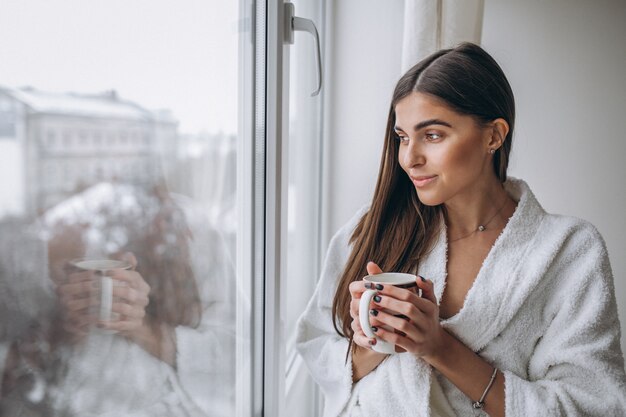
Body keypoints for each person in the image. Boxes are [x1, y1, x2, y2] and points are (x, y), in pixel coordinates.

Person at [296, 42, 626, 417]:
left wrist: (438, 347)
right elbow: (319, 346)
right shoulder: (371, 228)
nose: (409, 158)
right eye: (402, 137)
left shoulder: (569, 252)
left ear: (493, 136)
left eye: (432, 135)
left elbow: (592, 406)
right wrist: (373, 338)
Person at [0, 181, 236, 416]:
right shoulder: (49, 239)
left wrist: (144, 331)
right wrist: (63, 330)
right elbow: (18, 371)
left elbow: (234, 357)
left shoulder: (192, 233)